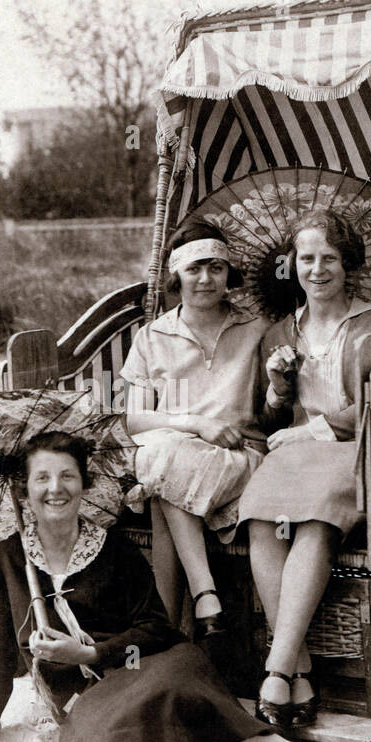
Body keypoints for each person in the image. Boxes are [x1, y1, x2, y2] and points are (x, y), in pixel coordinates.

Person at [0, 430, 368, 742]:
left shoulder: (114, 548)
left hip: (144, 667)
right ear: (25, 492)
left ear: (84, 484)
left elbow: (156, 629)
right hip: (86, 698)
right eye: (43, 478)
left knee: (177, 686)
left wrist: (91, 652)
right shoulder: (6, 558)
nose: (56, 488)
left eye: (67, 475)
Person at [238, 209, 371, 729]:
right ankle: (299, 672)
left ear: (346, 263)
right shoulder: (282, 331)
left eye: (328, 258)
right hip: (289, 453)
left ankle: (276, 668)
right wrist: (277, 386)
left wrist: (312, 430)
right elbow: (267, 421)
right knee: (261, 518)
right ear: (294, 265)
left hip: (350, 452)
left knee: (314, 521)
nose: (317, 269)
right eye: (306, 258)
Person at [120, 221, 268, 642]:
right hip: (175, 460)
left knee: (161, 471)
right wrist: (194, 423)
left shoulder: (255, 330)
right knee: (166, 458)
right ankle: (199, 608)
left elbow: (272, 412)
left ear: (228, 273)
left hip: (239, 460)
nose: (206, 279)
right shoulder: (152, 336)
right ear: (176, 274)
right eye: (195, 268)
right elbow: (133, 419)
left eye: (216, 268)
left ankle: (173, 631)